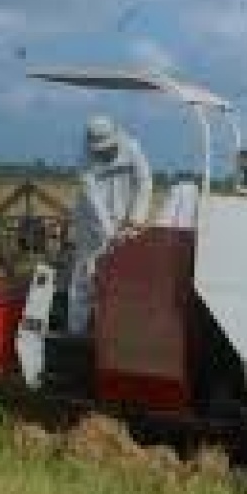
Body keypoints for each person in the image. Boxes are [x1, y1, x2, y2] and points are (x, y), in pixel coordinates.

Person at [67, 115, 154, 335]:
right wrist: (109, 232)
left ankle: (117, 331)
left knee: (124, 278)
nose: (103, 152)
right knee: (85, 277)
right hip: (92, 225)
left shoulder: (132, 147)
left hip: (127, 222)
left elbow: (145, 182)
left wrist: (135, 220)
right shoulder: (83, 161)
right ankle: (76, 331)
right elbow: (93, 200)